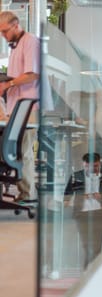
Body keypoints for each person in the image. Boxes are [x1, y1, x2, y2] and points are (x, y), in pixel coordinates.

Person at [0, 11, 41, 202]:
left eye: (5, 31)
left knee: (23, 152)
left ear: (16, 25)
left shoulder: (30, 41)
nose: (3, 35)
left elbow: (32, 74)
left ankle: (29, 194)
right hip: (15, 108)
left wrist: (8, 84)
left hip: (28, 109)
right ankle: (24, 192)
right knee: (16, 150)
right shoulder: (15, 47)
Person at [64, 153, 102, 269]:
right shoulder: (75, 176)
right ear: (84, 165)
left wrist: (100, 196)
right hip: (82, 214)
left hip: (99, 214)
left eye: (96, 166)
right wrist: (77, 198)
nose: (93, 169)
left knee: (97, 244)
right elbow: (67, 195)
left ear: (99, 164)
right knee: (86, 244)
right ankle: (89, 269)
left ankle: (94, 269)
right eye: (89, 166)